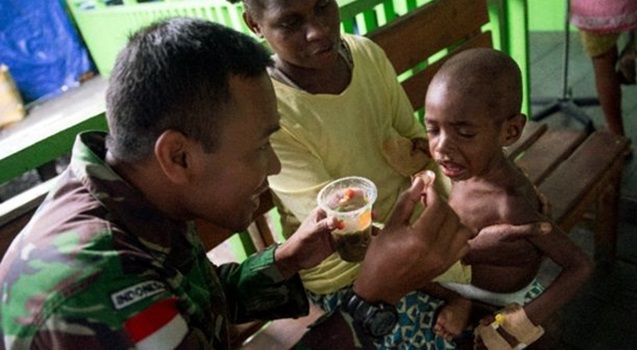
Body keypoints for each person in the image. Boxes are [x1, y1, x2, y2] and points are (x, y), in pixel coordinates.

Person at [0, 17, 476, 349]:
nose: (271, 167)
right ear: (178, 156)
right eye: (259, 148)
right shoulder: (94, 290)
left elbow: (196, 302)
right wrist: (369, 299)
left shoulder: (135, 194)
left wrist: (288, 259)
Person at [234, 0, 552, 348]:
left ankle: (467, 298)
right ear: (254, 24)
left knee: (530, 311)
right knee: (487, 331)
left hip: (418, 223)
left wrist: (492, 191)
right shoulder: (270, 111)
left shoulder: (365, 55)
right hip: (349, 268)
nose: (318, 30)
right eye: (291, 22)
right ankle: (466, 299)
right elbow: (346, 231)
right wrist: (464, 250)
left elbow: (421, 149)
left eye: (324, 6)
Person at [421, 47, 594, 348]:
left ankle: (463, 304)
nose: (441, 149)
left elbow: (580, 265)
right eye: (433, 129)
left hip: (498, 300)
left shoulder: (508, 202)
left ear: (511, 131)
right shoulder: (467, 168)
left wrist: (518, 324)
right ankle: (458, 301)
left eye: (464, 133)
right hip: (460, 279)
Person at [570, 0, 637, 137]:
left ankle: (616, 134)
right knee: (633, 15)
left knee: (603, 63)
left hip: (596, 10)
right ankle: (631, 49)